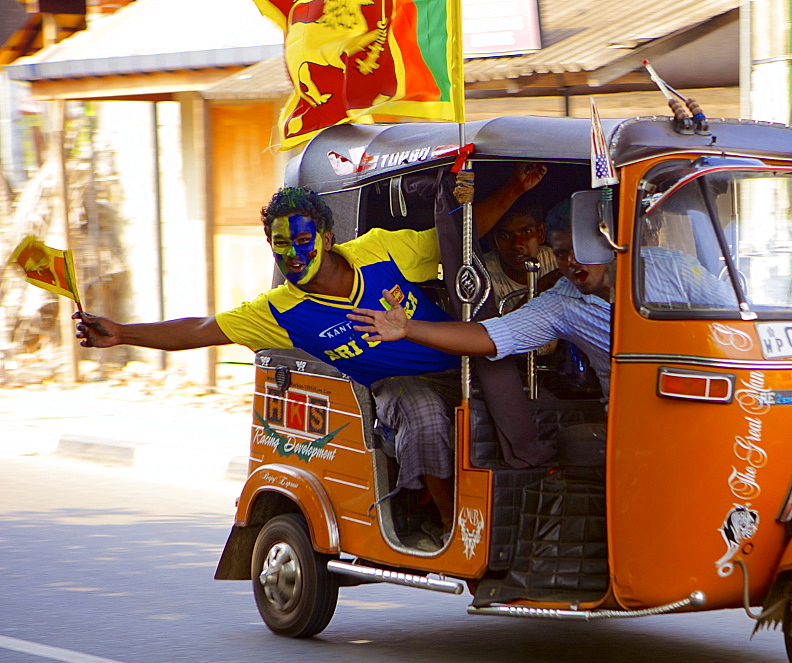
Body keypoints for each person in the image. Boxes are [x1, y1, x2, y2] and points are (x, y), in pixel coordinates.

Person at [73, 179, 542, 549]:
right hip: (395, 387)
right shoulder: (280, 310)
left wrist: (514, 191)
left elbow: (454, 238)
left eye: (302, 240)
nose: (293, 254)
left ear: (327, 236)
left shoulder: (382, 250)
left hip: (459, 362)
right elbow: (202, 328)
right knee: (418, 409)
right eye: (281, 245)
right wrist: (122, 335)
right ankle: (446, 525)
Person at [350, 199, 613, 397]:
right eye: (561, 253)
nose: (571, 262)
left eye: (581, 249)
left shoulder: (653, 266)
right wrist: (408, 328)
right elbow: (490, 335)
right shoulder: (557, 301)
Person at [483, 190, 560, 312]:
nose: (517, 244)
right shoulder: (483, 275)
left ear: (541, 233)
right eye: (505, 235)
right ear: (492, 240)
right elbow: (489, 329)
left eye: (526, 232)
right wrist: (538, 288)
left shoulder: (558, 261)